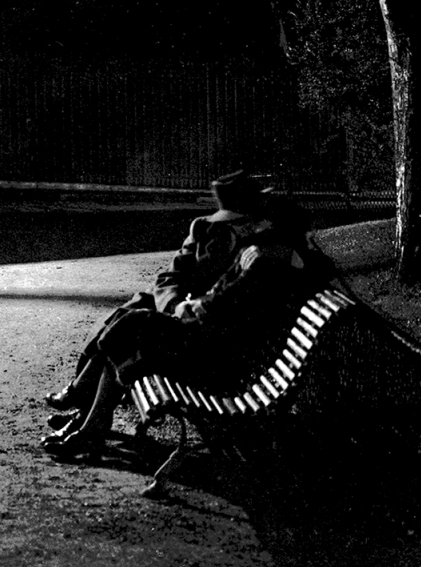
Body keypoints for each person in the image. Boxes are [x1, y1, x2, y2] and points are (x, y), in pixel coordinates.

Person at [40, 170, 335, 459]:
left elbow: (225, 303)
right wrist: (186, 306)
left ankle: (89, 418)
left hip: (224, 361)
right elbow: (214, 295)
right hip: (219, 344)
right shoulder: (262, 254)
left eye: (258, 223)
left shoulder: (267, 260)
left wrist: (194, 308)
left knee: (134, 326)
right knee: (132, 321)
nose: (253, 228)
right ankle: (90, 421)